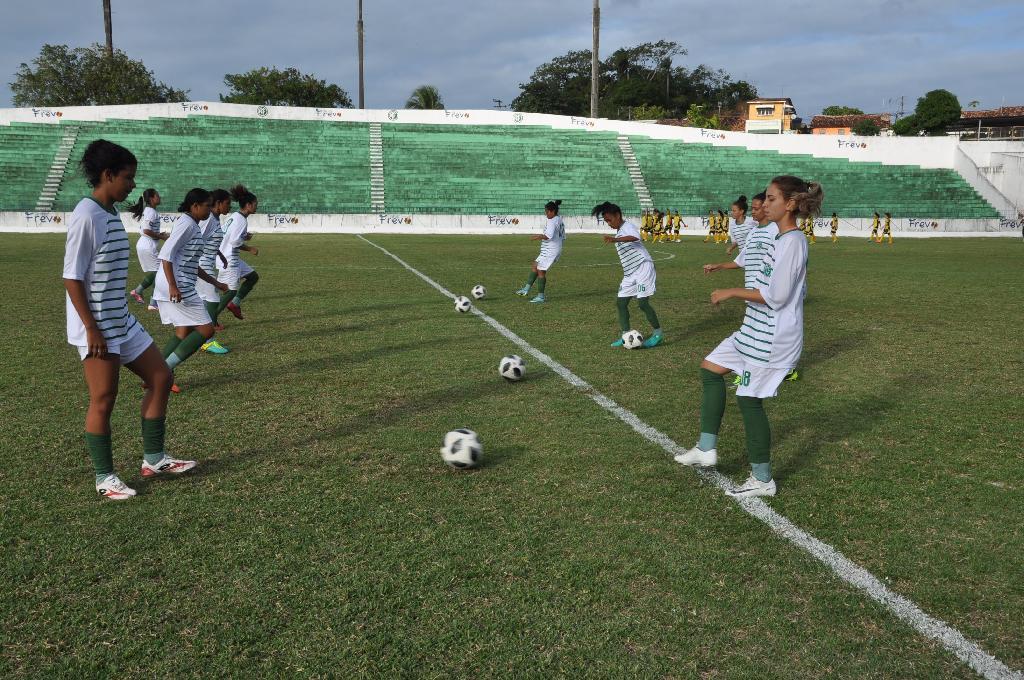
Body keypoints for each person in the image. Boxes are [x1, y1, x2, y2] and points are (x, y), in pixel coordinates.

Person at [63, 140, 196, 501]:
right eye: (127, 178)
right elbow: (72, 277)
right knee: (104, 398)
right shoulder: (86, 215)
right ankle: (105, 478)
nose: (133, 185)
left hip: (120, 319)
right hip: (96, 326)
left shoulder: (108, 213)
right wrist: (91, 327)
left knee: (161, 376)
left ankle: (154, 458)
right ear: (107, 176)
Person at [675, 175, 822, 498]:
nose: (764, 205)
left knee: (748, 399)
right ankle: (706, 448)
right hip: (753, 327)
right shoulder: (781, 240)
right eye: (764, 200)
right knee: (710, 368)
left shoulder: (793, 242)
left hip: (773, 335)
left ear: (791, 204)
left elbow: (778, 296)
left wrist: (730, 291)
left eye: (770, 199)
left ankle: (762, 479)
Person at [154, 188, 229, 385]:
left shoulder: (193, 224)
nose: (210, 209)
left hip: (177, 281)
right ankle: (163, 373)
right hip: (178, 283)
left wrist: (216, 283)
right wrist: (172, 286)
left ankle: (153, 374)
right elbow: (166, 255)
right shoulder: (186, 224)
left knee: (183, 332)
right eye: (207, 205)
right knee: (207, 329)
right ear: (194, 206)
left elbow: (192, 264)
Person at [593, 201, 664, 349]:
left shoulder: (627, 227)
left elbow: (636, 237)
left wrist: (615, 239)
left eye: (609, 220)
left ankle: (658, 334)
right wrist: (616, 238)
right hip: (630, 273)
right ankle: (625, 335)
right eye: (606, 221)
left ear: (618, 215)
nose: (608, 223)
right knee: (621, 303)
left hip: (643, 267)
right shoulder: (619, 231)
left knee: (643, 303)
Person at [216, 185, 261, 320]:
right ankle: (212, 320)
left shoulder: (235, 216)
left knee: (253, 277)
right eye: (255, 204)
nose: (256, 207)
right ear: (247, 205)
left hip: (225, 256)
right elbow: (234, 242)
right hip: (229, 259)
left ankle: (235, 304)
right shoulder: (241, 220)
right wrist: (250, 248)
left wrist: (244, 236)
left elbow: (228, 234)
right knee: (229, 292)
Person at [195, 188, 231, 352]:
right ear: (218, 203)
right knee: (213, 299)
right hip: (201, 264)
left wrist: (221, 255)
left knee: (204, 300)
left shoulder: (215, 219)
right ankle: (207, 340)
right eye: (227, 203)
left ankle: (198, 335)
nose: (229, 207)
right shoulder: (208, 218)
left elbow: (209, 241)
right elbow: (196, 239)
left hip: (208, 262)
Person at [516, 199, 565, 303]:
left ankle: (541, 296)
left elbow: (548, 236)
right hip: (550, 248)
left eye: (547, 211)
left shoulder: (552, 221)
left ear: (552, 211)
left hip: (551, 249)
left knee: (541, 271)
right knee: (535, 265)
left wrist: (537, 237)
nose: (545, 213)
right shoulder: (558, 219)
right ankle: (526, 289)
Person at [127, 188, 167, 310]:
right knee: (160, 273)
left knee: (158, 272)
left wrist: (160, 234)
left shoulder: (150, 211)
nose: (159, 197)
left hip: (146, 244)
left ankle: (138, 291)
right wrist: (161, 236)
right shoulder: (151, 212)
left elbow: (148, 230)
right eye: (157, 196)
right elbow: (146, 230)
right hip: (147, 245)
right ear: (151, 198)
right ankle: (153, 303)